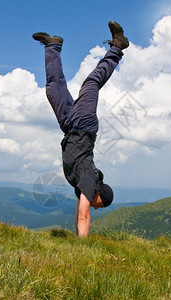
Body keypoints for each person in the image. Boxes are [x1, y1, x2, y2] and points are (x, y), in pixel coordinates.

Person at [32, 21, 129, 237]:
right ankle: (118, 48)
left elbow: (79, 215)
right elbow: (85, 216)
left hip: (69, 126)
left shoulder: (83, 186)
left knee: (53, 89)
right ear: (100, 194)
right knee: (92, 83)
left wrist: (78, 239)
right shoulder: (89, 179)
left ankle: (52, 46)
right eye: (99, 204)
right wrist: (83, 250)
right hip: (83, 125)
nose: (95, 207)